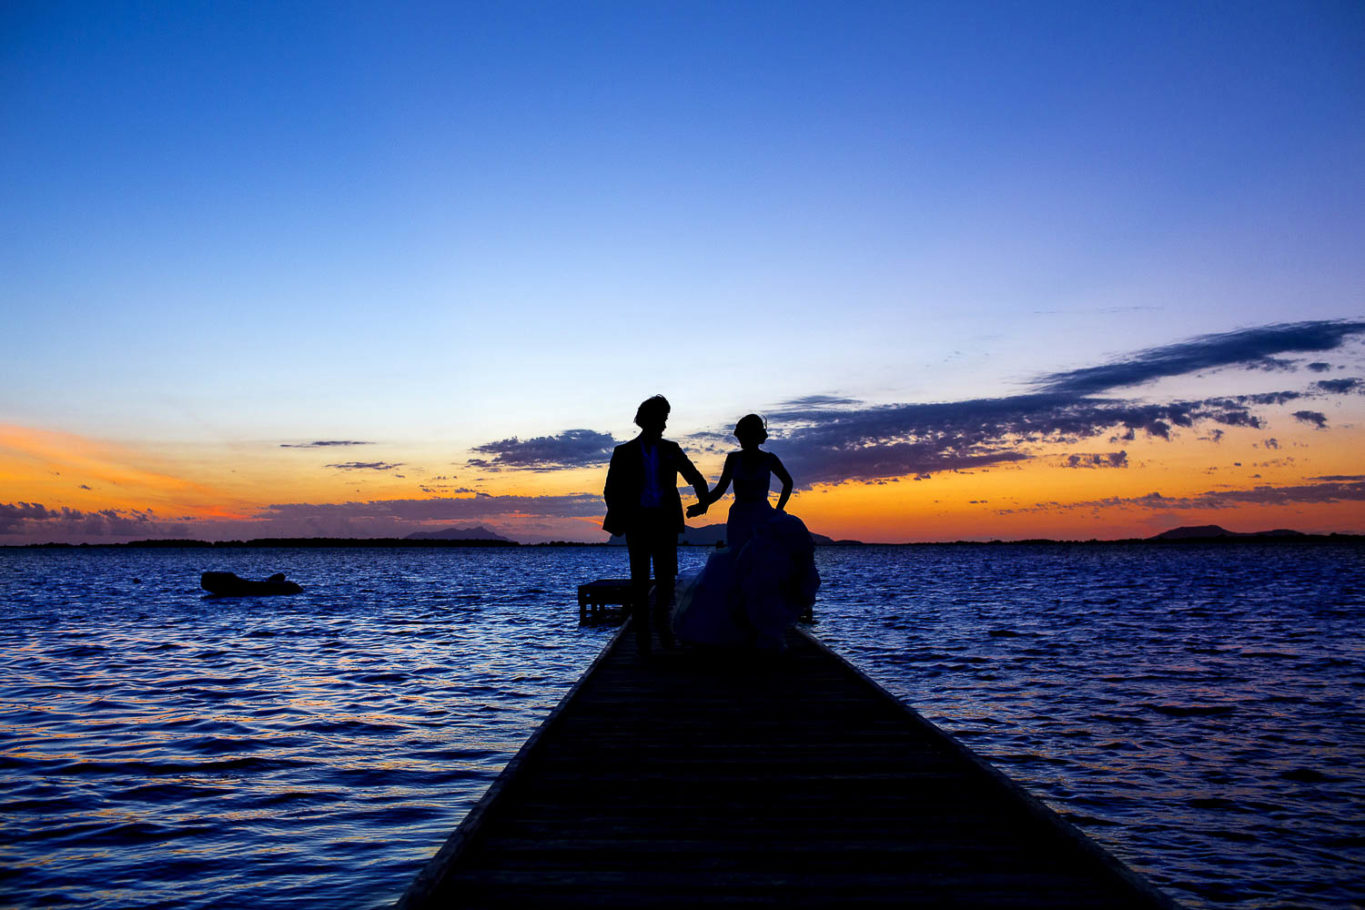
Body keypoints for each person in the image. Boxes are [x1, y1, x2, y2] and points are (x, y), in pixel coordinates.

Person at [675, 414, 820, 650]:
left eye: (745, 435)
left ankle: (760, 626)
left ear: (756, 436)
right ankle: (738, 625)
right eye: (739, 435)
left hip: (763, 517)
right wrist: (703, 505)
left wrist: (779, 510)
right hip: (740, 518)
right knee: (737, 568)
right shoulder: (733, 459)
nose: (741, 439)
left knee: (762, 570)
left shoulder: (770, 459)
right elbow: (721, 489)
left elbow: (788, 483)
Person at [603, 395, 711, 657]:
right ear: (646, 420)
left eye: (665, 419)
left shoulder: (671, 449)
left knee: (666, 582)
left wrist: (703, 503)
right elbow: (610, 490)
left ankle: (664, 633)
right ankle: (642, 639)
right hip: (637, 524)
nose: (664, 424)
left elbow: (695, 477)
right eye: (661, 419)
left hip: (665, 523)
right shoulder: (623, 452)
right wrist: (622, 517)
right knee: (638, 582)